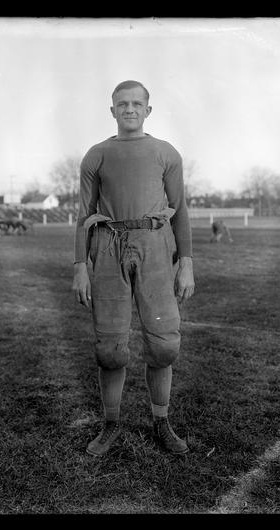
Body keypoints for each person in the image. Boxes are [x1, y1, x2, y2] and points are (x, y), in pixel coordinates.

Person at [72, 80, 195, 457]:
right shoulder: (97, 154)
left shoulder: (165, 153)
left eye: (137, 103)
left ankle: (162, 421)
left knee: (164, 345)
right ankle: (111, 424)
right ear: (112, 111)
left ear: (148, 110)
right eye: (122, 104)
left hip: (155, 247)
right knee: (110, 348)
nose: (129, 109)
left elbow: (181, 211)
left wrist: (186, 262)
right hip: (108, 248)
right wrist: (80, 266)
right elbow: (83, 216)